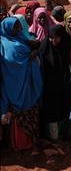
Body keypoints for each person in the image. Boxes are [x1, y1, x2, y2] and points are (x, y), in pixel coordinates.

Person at [0, 17, 43, 150]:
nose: (18, 29)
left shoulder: (21, 37)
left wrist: (34, 52)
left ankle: (31, 142)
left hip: (27, 83)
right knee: (15, 112)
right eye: (15, 27)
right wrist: (28, 58)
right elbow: (11, 62)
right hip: (12, 83)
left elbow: (35, 46)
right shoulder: (3, 44)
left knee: (30, 109)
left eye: (18, 26)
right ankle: (18, 144)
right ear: (7, 28)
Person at [39, 24, 71, 140]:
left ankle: (67, 133)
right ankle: (54, 136)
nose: (53, 40)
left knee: (66, 108)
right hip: (49, 88)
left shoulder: (67, 48)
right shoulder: (44, 49)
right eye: (51, 37)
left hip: (65, 86)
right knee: (52, 111)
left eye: (56, 37)